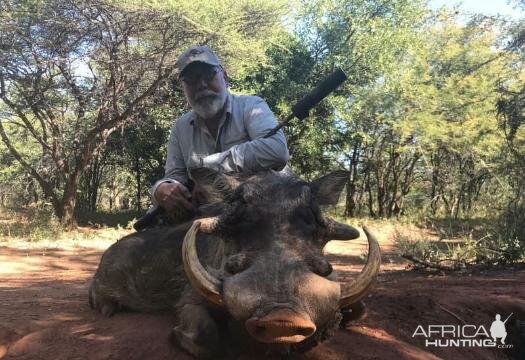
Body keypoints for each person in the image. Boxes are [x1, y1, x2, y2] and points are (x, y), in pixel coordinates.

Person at [151, 45, 289, 219]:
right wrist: (161, 189)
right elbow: (175, 176)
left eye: (208, 75)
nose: (201, 85)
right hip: (207, 220)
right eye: (191, 79)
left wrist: (208, 170)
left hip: (262, 215)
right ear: (184, 89)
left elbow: (276, 150)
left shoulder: (252, 106)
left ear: (225, 77)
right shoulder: (180, 127)